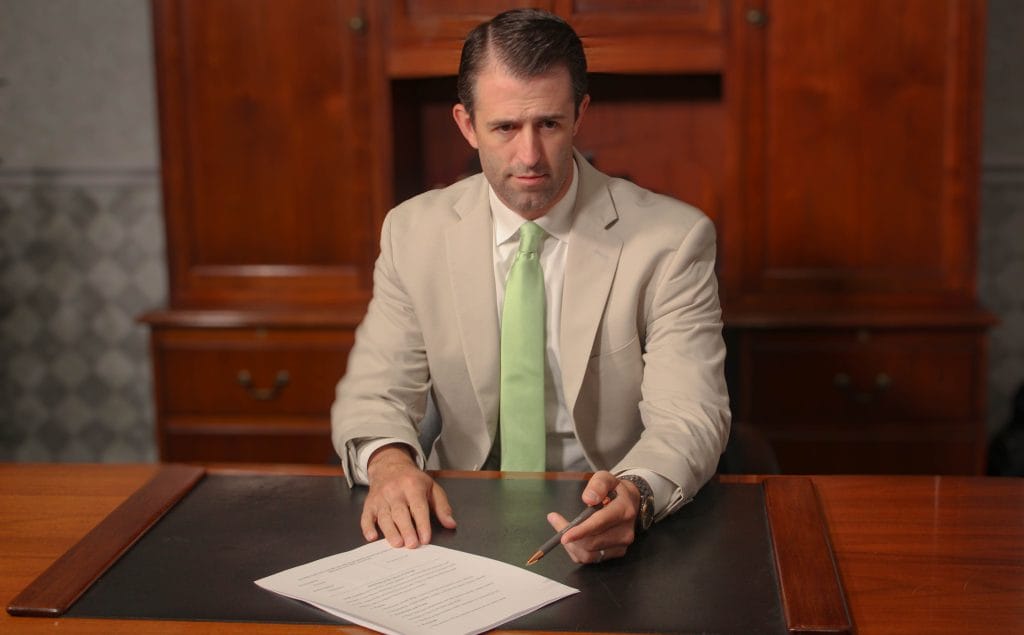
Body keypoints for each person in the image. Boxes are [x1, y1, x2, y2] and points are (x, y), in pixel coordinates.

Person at [331, 8, 730, 565]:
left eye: (549, 124)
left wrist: (638, 493)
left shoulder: (673, 241)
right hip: (455, 512)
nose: (529, 156)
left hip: (602, 507)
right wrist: (391, 465)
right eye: (504, 128)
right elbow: (375, 392)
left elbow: (690, 414)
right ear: (467, 125)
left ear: (580, 115)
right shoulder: (412, 232)